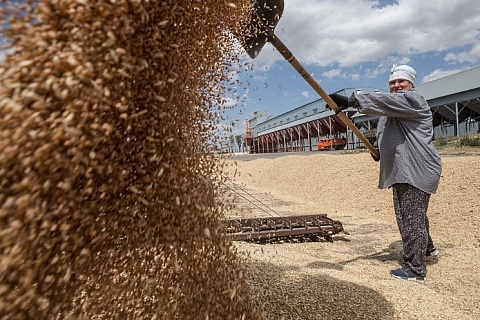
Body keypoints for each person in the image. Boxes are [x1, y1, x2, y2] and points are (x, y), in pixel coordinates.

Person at [328, 64, 442, 282]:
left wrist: (352, 100)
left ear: (411, 84)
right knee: (415, 214)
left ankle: (415, 269)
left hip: (416, 168)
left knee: (410, 217)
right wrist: (379, 150)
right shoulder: (390, 113)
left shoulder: (413, 100)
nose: (397, 86)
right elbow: (389, 134)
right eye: (393, 82)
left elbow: (383, 101)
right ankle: (427, 249)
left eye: (402, 82)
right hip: (404, 169)